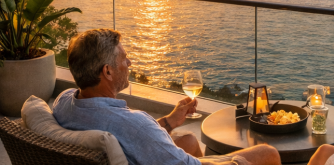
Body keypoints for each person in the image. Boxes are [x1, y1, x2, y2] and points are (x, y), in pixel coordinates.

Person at [53, 29, 281, 165]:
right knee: (267, 153)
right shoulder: (135, 123)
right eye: (123, 59)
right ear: (108, 71)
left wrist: (169, 121)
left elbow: (134, 137)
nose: (129, 63)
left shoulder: (63, 102)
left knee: (189, 141)